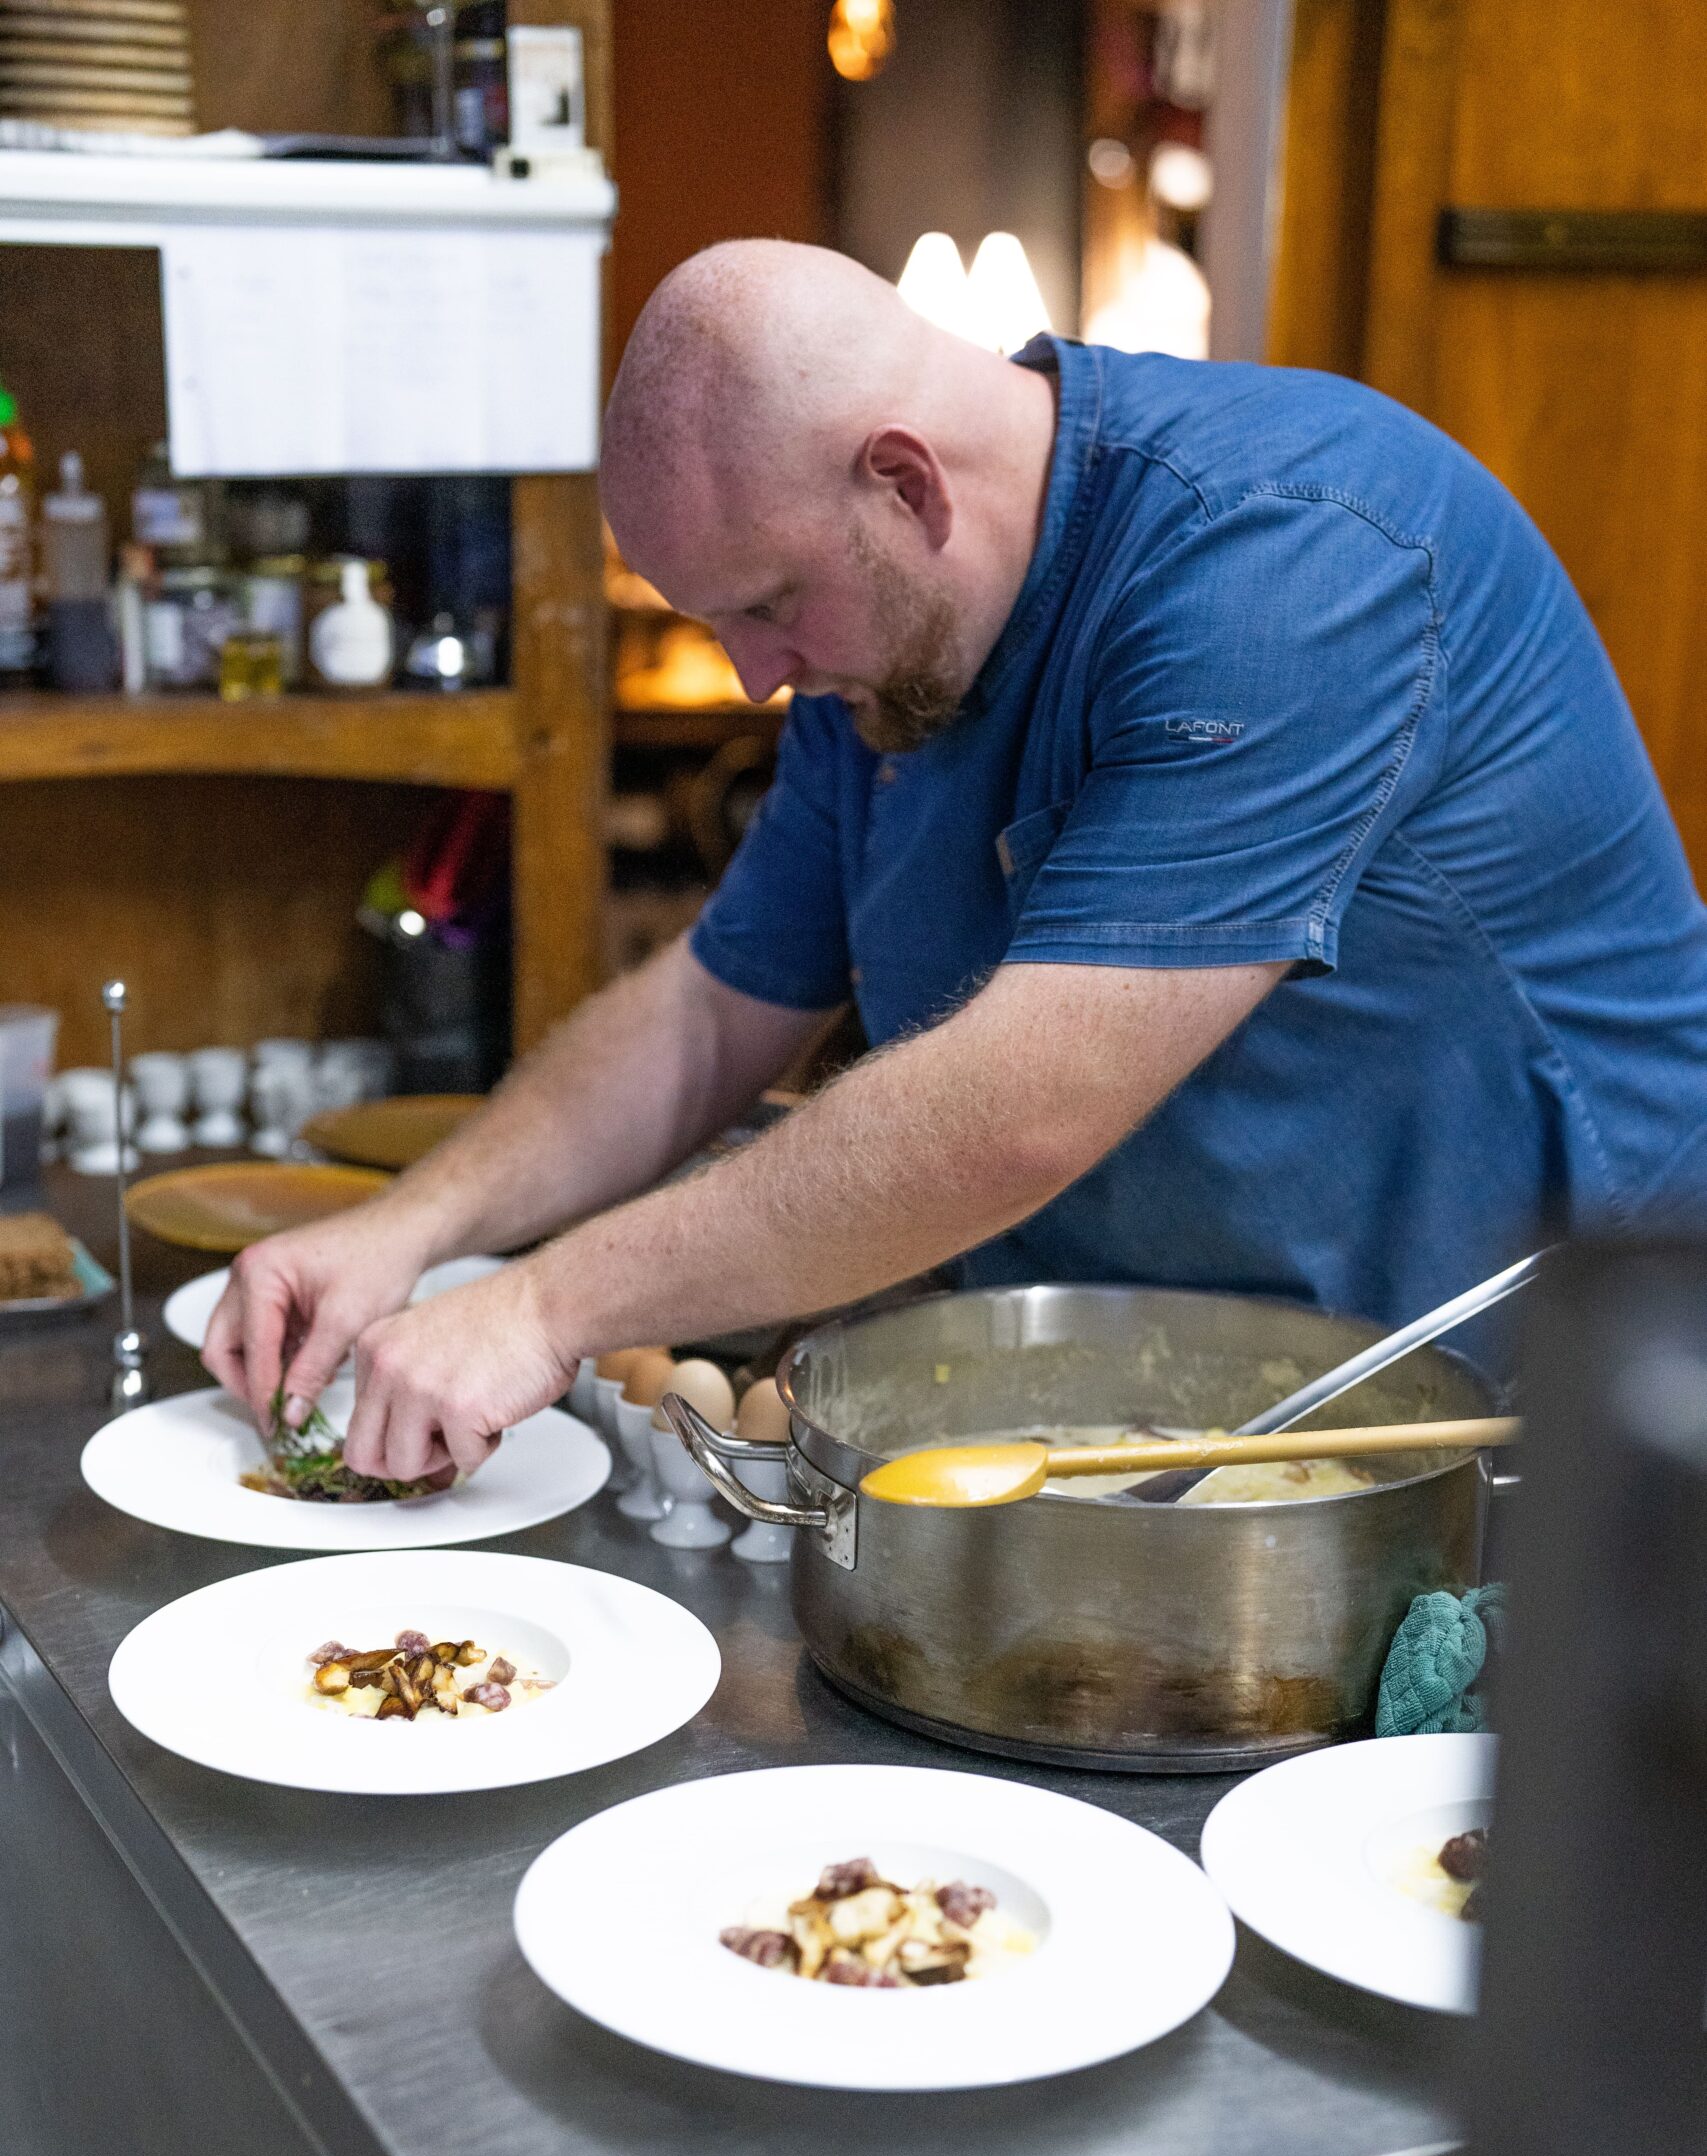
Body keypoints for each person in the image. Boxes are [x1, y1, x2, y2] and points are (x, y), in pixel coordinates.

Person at [204, 241, 1707, 1487]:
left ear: (907, 484)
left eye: (766, 607)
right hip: (1184, 1411)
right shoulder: (877, 656)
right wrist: (416, 1229)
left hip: (1543, 1414)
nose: (749, 676)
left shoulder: (1289, 560)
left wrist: (544, 1304)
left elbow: (1024, 1108)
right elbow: (709, 1014)